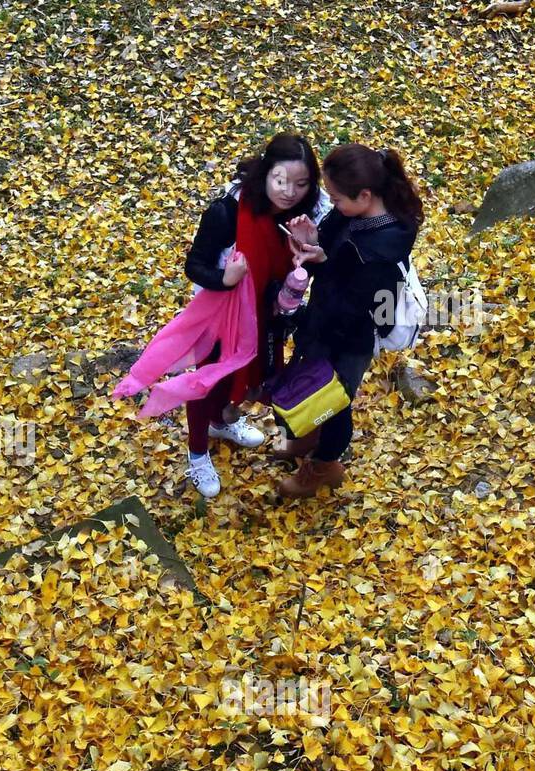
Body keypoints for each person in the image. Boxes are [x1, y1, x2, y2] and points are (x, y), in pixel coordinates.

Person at [181, 133, 330, 497]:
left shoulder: (312, 213)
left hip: (270, 311)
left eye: (300, 183)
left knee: (249, 373)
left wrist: (311, 250)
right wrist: (225, 278)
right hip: (222, 310)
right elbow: (194, 265)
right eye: (280, 180)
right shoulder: (228, 212)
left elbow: (311, 268)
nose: (288, 191)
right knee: (210, 378)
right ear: (264, 174)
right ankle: (197, 452)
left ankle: (221, 421)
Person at [277, 143, 425, 498]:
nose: (333, 203)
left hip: (348, 337)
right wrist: (312, 245)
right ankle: (307, 434)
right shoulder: (352, 213)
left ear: (365, 195)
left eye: (337, 198)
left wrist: (306, 309)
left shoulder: (384, 249)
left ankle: (325, 464)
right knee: (310, 384)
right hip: (324, 319)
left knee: (333, 399)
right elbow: (329, 246)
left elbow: (358, 305)